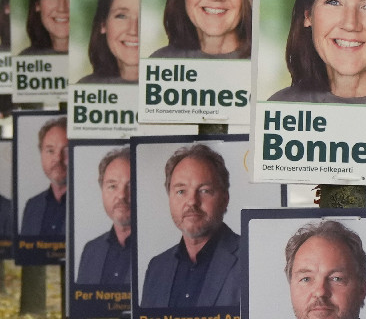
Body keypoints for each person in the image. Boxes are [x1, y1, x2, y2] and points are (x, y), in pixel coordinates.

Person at [138, 142, 242, 309]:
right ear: (169, 197)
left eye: (204, 190)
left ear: (224, 198)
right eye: (181, 191)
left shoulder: (250, 259)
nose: (192, 201)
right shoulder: (157, 268)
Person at [72, 149, 136, 291]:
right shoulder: (91, 250)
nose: (121, 195)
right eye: (112, 186)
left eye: (131, 186)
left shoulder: (160, 256)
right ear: (102, 190)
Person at [78, 0, 141, 83]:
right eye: (121, 16)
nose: (133, 30)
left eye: (142, 17)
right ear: (103, 24)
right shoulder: (86, 87)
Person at [18, 117, 70, 245]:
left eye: (66, 151)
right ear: (41, 154)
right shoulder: (32, 206)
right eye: (50, 151)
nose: (57, 159)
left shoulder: (90, 204)